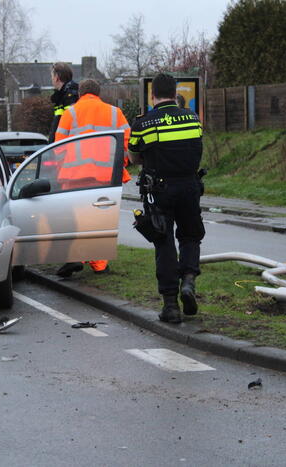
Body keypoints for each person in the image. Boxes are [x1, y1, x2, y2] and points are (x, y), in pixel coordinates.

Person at [128, 73, 205, 324]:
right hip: (190, 186)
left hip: (161, 189)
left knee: (164, 242)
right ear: (175, 93)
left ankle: (170, 304)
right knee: (191, 235)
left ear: (153, 95)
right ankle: (189, 281)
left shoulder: (144, 123)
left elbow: (134, 156)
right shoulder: (193, 118)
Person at [54, 78, 131, 277]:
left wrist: (60, 170)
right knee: (100, 219)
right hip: (106, 176)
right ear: (99, 93)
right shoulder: (115, 113)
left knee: (76, 219)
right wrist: (119, 165)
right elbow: (127, 141)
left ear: (80, 93)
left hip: (75, 176)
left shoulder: (70, 112)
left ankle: (74, 258)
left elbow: (58, 146)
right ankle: (100, 265)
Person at [48, 62, 79, 143]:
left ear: (56, 77)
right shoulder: (62, 96)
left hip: (67, 146)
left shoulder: (70, 96)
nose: (51, 79)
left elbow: (71, 124)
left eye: (52, 76)